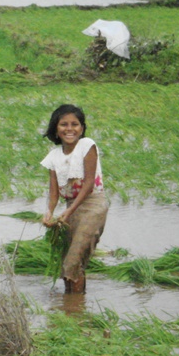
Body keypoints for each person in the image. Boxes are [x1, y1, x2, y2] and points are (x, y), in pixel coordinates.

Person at [40, 104, 109, 294]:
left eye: (75, 124)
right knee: (68, 261)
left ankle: (74, 307)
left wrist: (68, 212)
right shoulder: (53, 156)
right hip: (71, 208)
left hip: (92, 205)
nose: (69, 129)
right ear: (56, 128)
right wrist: (49, 213)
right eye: (64, 124)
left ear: (82, 128)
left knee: (74, 259)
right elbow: (54, 193)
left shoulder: (87, 146)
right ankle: (72, 306)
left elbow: (88, 185)